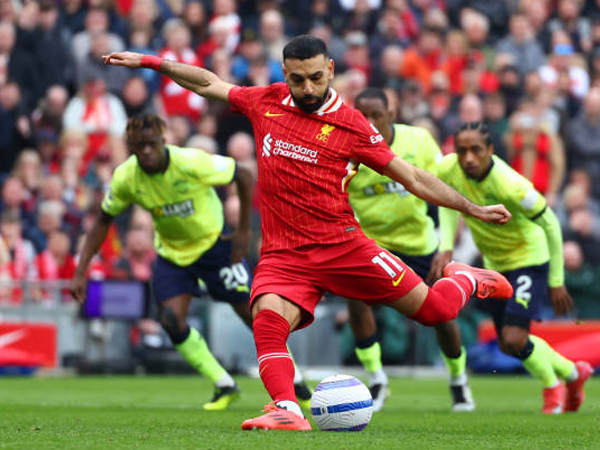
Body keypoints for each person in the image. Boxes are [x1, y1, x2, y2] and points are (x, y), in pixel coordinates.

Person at [103, 35, 513, 431]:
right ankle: (286, 409)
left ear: (330, 70)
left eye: (316, 77)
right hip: (285, 255)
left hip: (343, 246)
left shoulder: (351, 124)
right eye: (298, 79)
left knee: (437, 313)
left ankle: (465, 279)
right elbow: (209, 82)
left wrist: (471, 208)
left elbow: (412, 177)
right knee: (266, 321)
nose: (308, 87)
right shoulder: (266, 101)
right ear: (285, 73)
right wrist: (153, 62)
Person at [70, 114, 312, 411]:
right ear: (130, 148)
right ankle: (224, 383)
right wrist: (81, 270)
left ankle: (294, 378)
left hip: (215, 247)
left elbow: (245, 174)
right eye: (138, 146)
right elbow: (103, 220)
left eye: (151, 144)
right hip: (173, 254)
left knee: (256, 315)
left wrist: (244, 230)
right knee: (171, 321)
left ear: (164, 141)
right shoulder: (126, 178)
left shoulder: (190, 162)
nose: (145, 151)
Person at [430, 121, 593, 415]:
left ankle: (552, 387)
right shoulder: (449, 167)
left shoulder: (511, 185)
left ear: (490, 150)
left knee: (515, 338)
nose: (468, 158)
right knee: (508, 344)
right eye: (462, 150)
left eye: (476, 151)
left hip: (529, 260)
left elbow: (551, 224)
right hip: (494, 265)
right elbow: (446, 199)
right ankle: (572, 373)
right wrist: (446, 246)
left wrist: (556, 280)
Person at [346, 87, 474, 413]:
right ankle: (377, 381)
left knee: (442, 314)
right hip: (371, 246)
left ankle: (459, 382)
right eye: (364, 116)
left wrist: (446, 242)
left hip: (419, 245)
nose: (371, 122)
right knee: (356, 302)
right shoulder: (347, 148)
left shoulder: (418, 140)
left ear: (391, 114)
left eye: (377, 115)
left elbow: (444, 185)